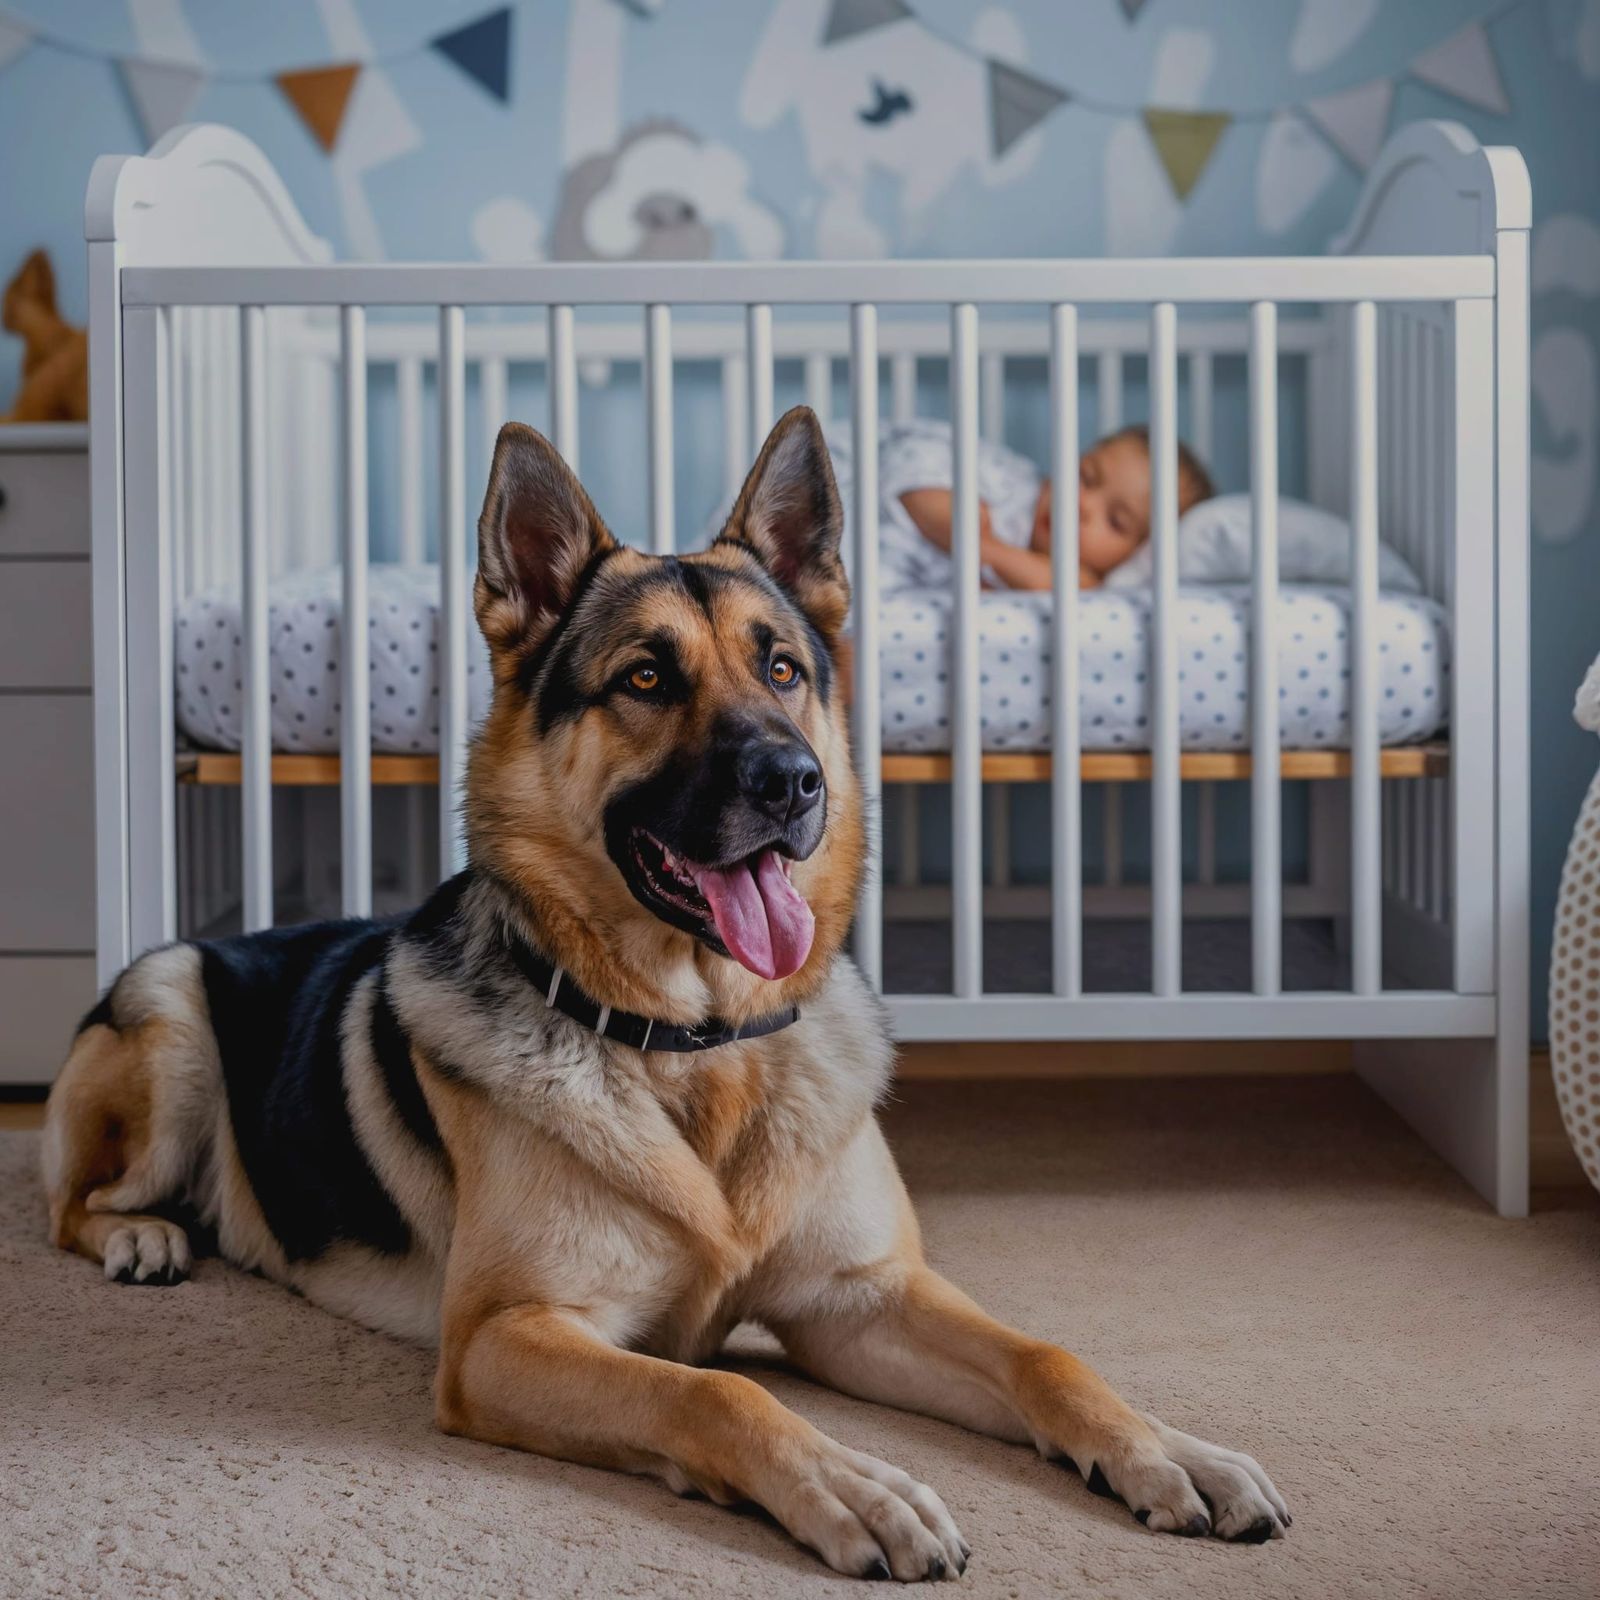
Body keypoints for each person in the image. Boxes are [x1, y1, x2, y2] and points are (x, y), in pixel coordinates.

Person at [863, 418, 1213, 593]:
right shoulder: (1009, 483)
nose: (1081, 505)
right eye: (1086, 476)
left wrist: (991, 552)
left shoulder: (1079, 583)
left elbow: (1077, 586)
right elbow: (915, 465)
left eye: (1116, 521)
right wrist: (962, 527)